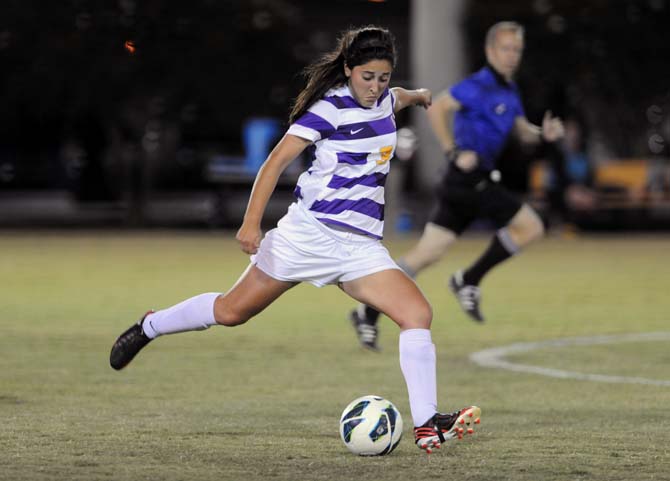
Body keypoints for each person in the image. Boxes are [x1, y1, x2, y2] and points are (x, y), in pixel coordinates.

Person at [109, 26, 481, 454]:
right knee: (231, 312)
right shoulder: (328, 109)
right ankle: (150, 325)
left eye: (382, 77)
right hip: (306, 237)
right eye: (366, 77)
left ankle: (427, 425)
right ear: (348, 70)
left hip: (359, 248)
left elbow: (398, 97)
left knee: (417, 313)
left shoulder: (385, 101)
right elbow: (272, 164)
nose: (375, 86)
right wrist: (251, 224)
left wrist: (417, 94)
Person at [350, 21, 565, 349]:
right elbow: (438, 107)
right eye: (505, 49)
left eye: (516, 50)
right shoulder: (478, 85)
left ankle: (368, 311)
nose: (511, 56)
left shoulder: (509, 89)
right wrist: (454, 151)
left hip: (461, 184)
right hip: (471, 178)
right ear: (490, 51)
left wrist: (541, 134)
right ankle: (469, 279)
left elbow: (520, 129)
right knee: (531, 226)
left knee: (426, 253)